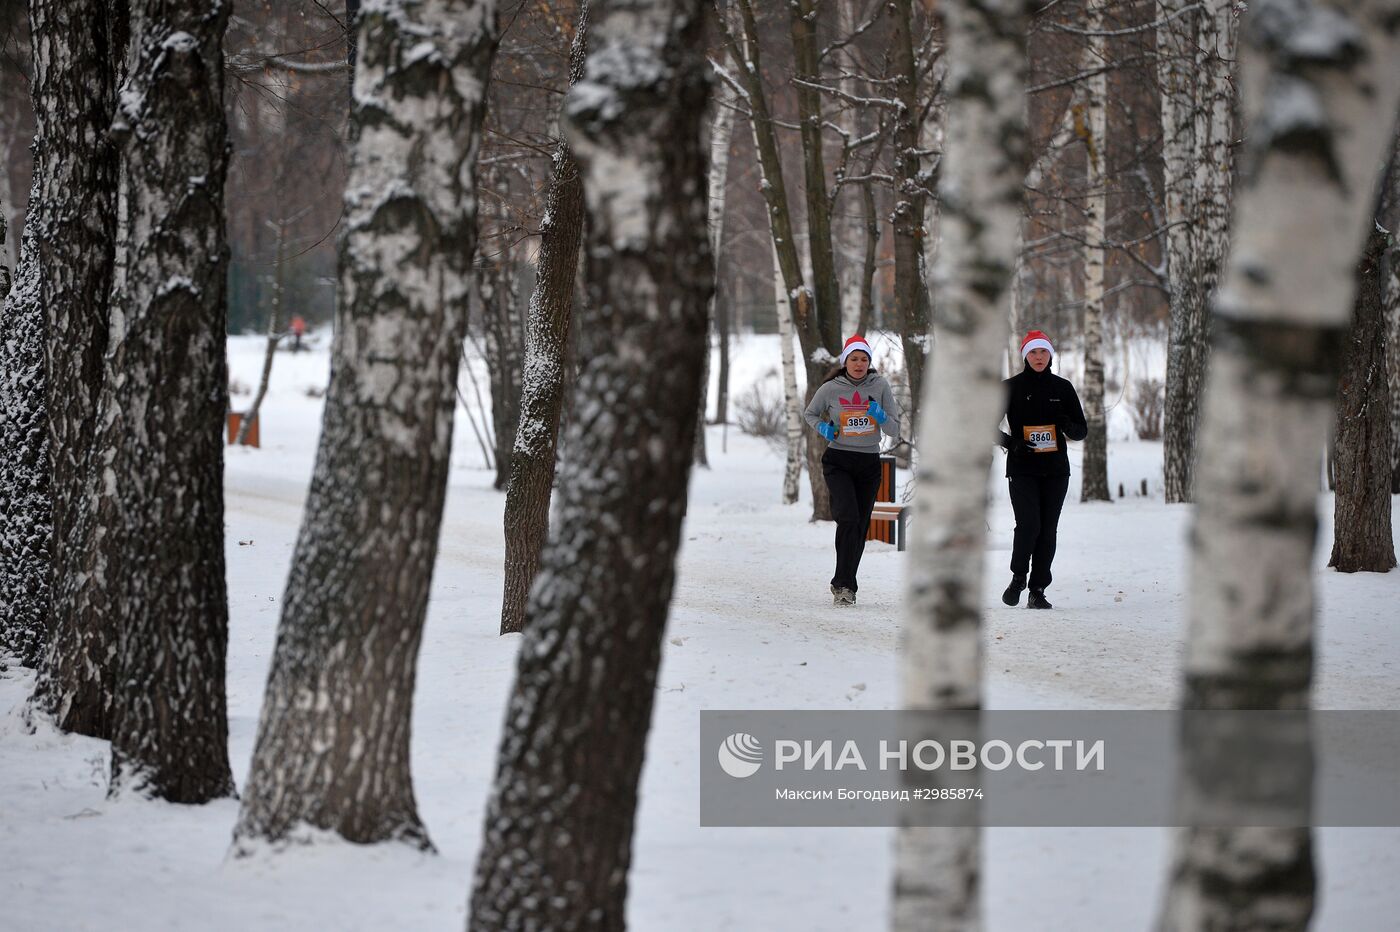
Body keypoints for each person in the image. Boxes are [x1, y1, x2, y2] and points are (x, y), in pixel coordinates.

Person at [803, 335, 902, 606]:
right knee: (847, 517)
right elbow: (809, 413)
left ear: (870, 362)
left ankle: (845, 584)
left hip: (868, 463)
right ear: (845, 361)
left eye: (864, 359)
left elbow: (895, 428)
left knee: (859, 525)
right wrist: (825, 428)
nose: (859, 363)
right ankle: (844, 584)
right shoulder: (831, 388)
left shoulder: (879, 385)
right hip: (838, 460)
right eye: (854, 358)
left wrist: (880, 415)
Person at [997, 330, 1087, 610]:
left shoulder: (1063, 387)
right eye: (1033, 352)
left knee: (1048, 530)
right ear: (1025, 355)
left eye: (1043, 352)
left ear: (1050, 355)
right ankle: (1018, 576)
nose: (1039, 357)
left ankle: (1038, 590)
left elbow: (1081, 429)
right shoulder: (1010, 387)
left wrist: (1068, 426)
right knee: (1029, 525)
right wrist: (1013, 444)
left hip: (1056, 470)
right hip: (1022, 468)